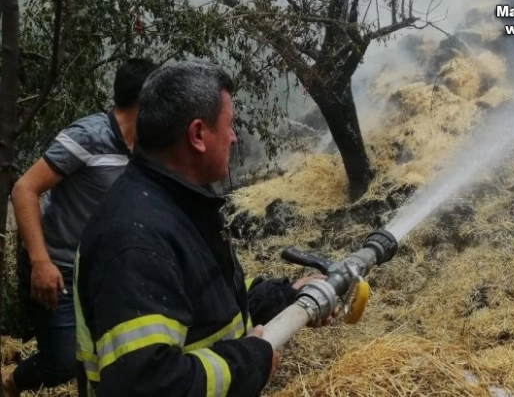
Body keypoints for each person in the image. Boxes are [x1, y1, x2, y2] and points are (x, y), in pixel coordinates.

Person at [74, 60, 326, 397]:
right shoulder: (135, 239)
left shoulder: (182, 204)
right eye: (229, 125)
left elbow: (211, 295)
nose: (235, 137)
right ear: (197, 135)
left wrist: (286, 296)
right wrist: (249, 362)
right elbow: (148, 384)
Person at [2, 58, 157, 397]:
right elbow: (24, 189)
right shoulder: (88, 136)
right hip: (55, 266)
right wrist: (41, 262)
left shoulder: (146, 148)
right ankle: (10, 384)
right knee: (60, 362)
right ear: (146, 99)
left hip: (102, 271)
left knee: (104, 357)